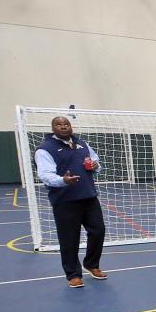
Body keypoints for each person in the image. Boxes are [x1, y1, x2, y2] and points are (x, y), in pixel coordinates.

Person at [34, 116, 108, 288]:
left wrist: (95, 166)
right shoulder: (44, 149)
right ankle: (73, 274)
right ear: (53, 128)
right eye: (58, 125)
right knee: (69, 239)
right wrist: (63, 180)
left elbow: (97, 164)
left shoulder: (82, 144)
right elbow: (45, 175)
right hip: (65, 201)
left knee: (98, 231)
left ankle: (91, 264)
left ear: (71, 126)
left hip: (89, 197)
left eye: (66, 124)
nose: (63, 127)